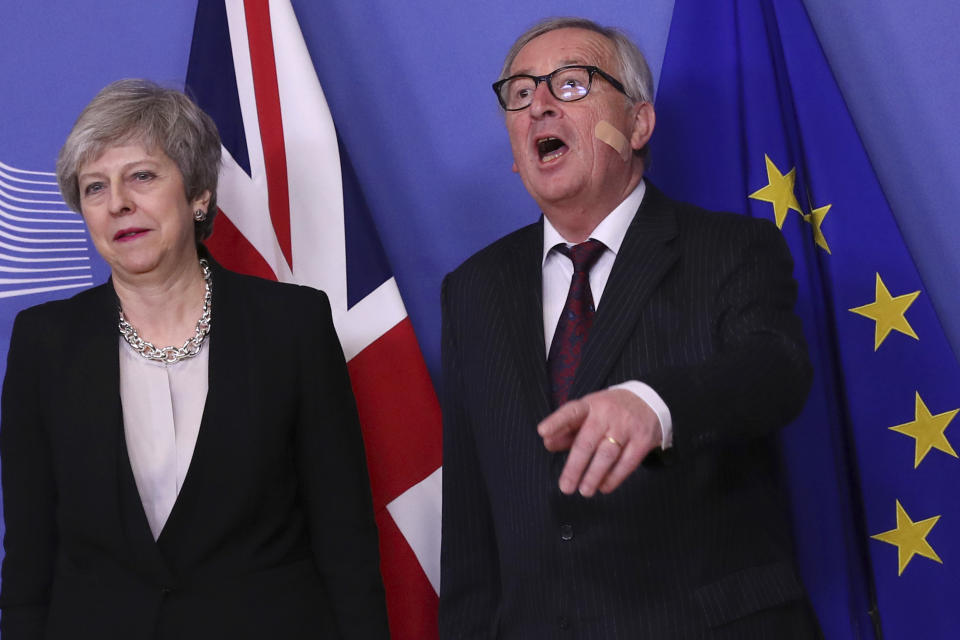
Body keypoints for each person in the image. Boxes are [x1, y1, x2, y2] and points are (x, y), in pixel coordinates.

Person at [439, 17, 821, 639]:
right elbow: (471, 529)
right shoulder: (472, 290)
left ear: (639, 122)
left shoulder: (731, 248)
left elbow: (777, 370)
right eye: (520, 92)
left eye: (570, 84)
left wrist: (656, 406)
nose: (538, 106)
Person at [0, 79, 389, 639]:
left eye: (142, 175)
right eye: (93, 187)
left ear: (199, 193)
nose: (118, 203)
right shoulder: (45, 342)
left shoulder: (291, 325)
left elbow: (344, 537)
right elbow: (29, 561)